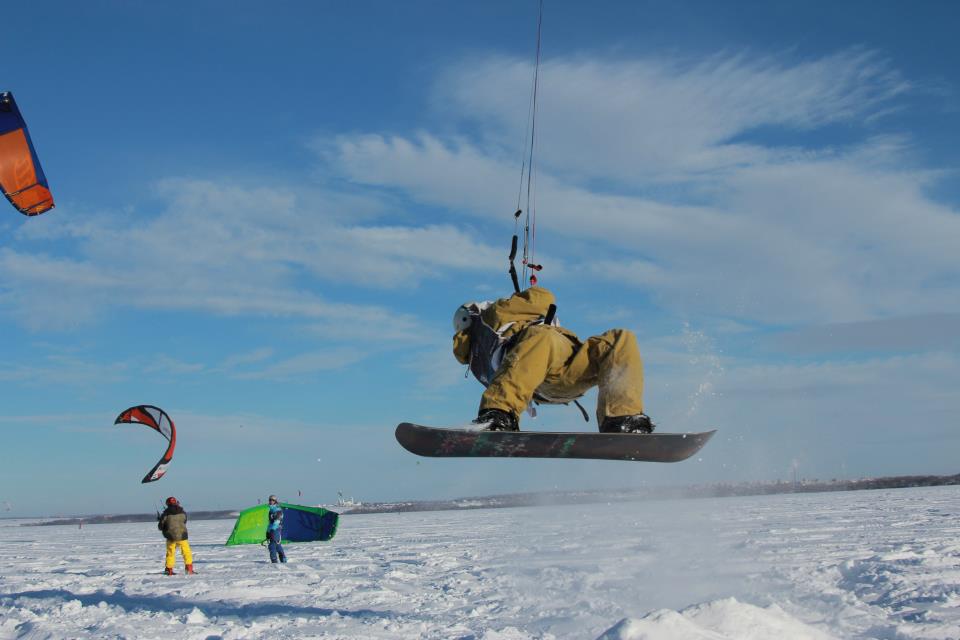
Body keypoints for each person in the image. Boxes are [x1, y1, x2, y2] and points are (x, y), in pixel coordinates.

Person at [453, 286, 654, 433]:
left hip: (544, 377)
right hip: (548, 364)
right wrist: (517, 299)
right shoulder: (491, 317)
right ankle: (498, 414)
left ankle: (622, 418)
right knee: (545, 335)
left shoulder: (477, 355)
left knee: (619, 339)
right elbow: (544, 297)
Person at [158, 496, 195, 575]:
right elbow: (184, 521)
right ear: (176, 502)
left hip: (171, 537)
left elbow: (160, 527)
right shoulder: (182, 512)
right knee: (186, 552)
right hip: (183, 535)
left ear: (167, 504)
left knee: (170, 553)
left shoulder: (165, 514)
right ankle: (189, 568)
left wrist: (160, 520)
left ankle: (169, 570)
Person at [266, 495, 287, 564]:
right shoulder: (271, 510)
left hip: (276, 530)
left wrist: (272, 530)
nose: (271, 501)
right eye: (270, 500)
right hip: (272, 529)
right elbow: (271, 522)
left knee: (272, 545)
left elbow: (277, 521)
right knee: (277, 545)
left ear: (275, 501)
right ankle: (283, 559)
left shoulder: (277, 510)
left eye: (272, 500)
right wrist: (268, 531)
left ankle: (274, 561)